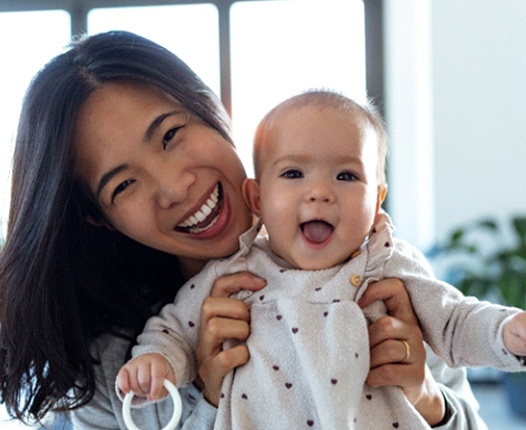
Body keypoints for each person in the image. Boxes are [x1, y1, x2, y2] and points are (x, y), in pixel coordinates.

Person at [0, 30, 485, 429]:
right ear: (98, 217)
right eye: (124, 184)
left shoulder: (378, 269)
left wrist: (425, 399)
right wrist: (208, 403)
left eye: (171, 134)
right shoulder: (109, 374)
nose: (175, 187)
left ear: (211, 109)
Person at [117, 90, 526, 429]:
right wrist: (157, 362)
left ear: (377, 203)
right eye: (294, 174)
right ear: (257, 198)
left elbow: (456, 320)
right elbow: (173, 330)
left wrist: (508, 330)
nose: (319, 192)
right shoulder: (232, 277)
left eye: (347, 176)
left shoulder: (388, 267)